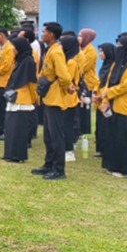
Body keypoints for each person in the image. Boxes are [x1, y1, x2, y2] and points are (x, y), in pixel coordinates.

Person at [31, 22, 73, 181]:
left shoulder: (56, 52)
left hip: (55, 98)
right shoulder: (50, 50)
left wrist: (67, 88)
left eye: (44, 32)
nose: (42, 34)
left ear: (52, 35)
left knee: (56, 136)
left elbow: (64, 76)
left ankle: (58, 169)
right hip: (48, 97)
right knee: (48, 135)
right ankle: (48, 164)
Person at [98, 34, 127, 178]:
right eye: (117, 46)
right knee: (114, 137)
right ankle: (113, 166)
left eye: (121, 47)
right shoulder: (117, 63)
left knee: (126, 138)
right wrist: (105, 98)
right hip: (113, 105)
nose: (118, 49)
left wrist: (109, 93)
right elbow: (109, 82)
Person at [2, 37, 38, 163]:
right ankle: (9, 153)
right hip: (14, 97)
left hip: (23, 99)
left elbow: (32, 82)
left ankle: (18, 155)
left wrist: (34, 98)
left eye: (15, 48)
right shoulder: (19, 60)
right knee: (10, 127)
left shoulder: (28, 62)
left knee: (19, 129)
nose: (13, 50)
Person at [59, 34, 81, 163]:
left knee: (67, 125)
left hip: (69, 98)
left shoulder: (71, 62)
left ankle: (69, 150)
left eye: (62, 44)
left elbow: (67, 79)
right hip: (63, 98)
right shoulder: (65, 60)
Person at [92, 43, 115, 158]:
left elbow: (110, 84)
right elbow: (99, 81)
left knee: (107, 124)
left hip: (107, 101)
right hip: (99, 101)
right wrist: (95, 93)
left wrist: (102, 95)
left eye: (102, 51)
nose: (100, 54)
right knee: (100, 125)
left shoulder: (113, 66)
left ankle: (107, 149)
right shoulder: (104, 66)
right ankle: (100, 149)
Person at [77, 29, 99, 138]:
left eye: (81, 36)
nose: (79, 38)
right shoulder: (80, 48)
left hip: (87, 82)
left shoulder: (91, 51)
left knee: (84, 107)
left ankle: (83, 130)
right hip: (79, 81)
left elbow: (83, 67)